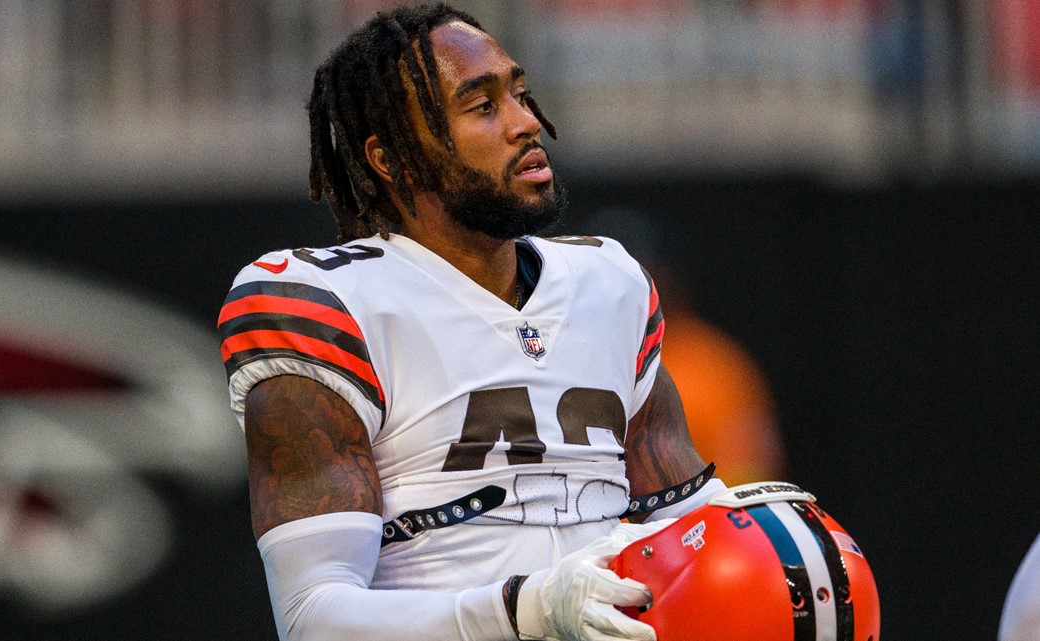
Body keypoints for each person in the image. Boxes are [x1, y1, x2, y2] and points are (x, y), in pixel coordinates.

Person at [217, 5, 726, 640]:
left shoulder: (609, 283)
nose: (526, 124)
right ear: (390, 156)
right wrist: (525, 610)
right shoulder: (326, 303)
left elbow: (689, 528)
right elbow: (313, 619)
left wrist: (772, 549)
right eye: (483, 107)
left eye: (520, 94)